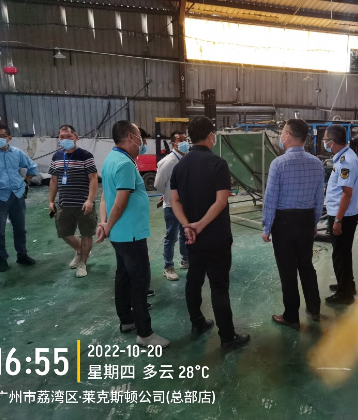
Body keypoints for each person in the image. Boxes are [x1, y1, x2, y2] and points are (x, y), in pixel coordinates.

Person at [170, 116, 250, 352]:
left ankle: (197, 323)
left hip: (192, 237)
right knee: (218, 285)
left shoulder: (180, 165)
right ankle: (227, 337)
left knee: (194, 279)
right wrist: (201, 225)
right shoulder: (218, 164)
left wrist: (188, 225)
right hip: (215, 236)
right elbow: (221, 200)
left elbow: (174, 200)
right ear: (211, 136)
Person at [97, 120, 169, 349]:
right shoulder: (125, 164)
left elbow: (105, 196)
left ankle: (127, 320)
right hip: (131, 233)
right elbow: (119, 202)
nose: (142, 142)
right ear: (130, 137)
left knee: (123, 276)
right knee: (140, 282)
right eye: (139, 136)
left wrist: (104, 223)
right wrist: (108, 225)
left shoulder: (110, 159)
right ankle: (145, 334)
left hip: (121, 233)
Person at [262, 119, 324, 329]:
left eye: (282, 132)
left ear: (287, 135)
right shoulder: (317, 163)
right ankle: (314, 308)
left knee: (287, 271)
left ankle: (291, 316)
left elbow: (271, 198)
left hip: (284, 223)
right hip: (306, 220)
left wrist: (267, 226)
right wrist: (314, 222)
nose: (281, 135)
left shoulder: (278, 164)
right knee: (306, 265)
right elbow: (319, 198)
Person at [0, 123, 37, 271]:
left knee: (20, 228)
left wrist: (25, 182)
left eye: (2, 136)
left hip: (17, 195)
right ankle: (1, 259)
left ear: (9, 138)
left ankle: (22, 255)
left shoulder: (16, 153)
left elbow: (32, 167)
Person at [48, 125, 98, 278]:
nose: (65, 139)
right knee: (64, 233)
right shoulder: (56, 157)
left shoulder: (85, 156)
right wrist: (51, 201)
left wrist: (90, 200)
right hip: (64, 203)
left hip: (83, 204)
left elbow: (93, 178)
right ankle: (80, 251)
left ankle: (83, 262)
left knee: (86, 234)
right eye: (62, 137)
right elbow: (54, 180)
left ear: (76, 137)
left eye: (68, 136)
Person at [323, 124, 358, 304]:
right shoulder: (344, 157)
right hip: (343, 213)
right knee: (344, 252)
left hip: (342, 215)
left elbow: (346, 193)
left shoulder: (346, 161)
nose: (324, 142)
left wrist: (338, 219)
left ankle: (344, 294)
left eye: (325, 139)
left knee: (340, 254)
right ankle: (346, 284)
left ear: (331, 142)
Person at [153, 130, 190, 281]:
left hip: (185, 205)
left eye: (185, 139)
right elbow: (158, 184)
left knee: (185, 234)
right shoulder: (169, 162)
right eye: (180, 140)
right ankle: (168, 266)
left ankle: (185, 260)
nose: (184, 142)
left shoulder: (187, 159)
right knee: (171, 236)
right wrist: (168, 194)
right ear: (174, 144)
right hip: (171, 206)